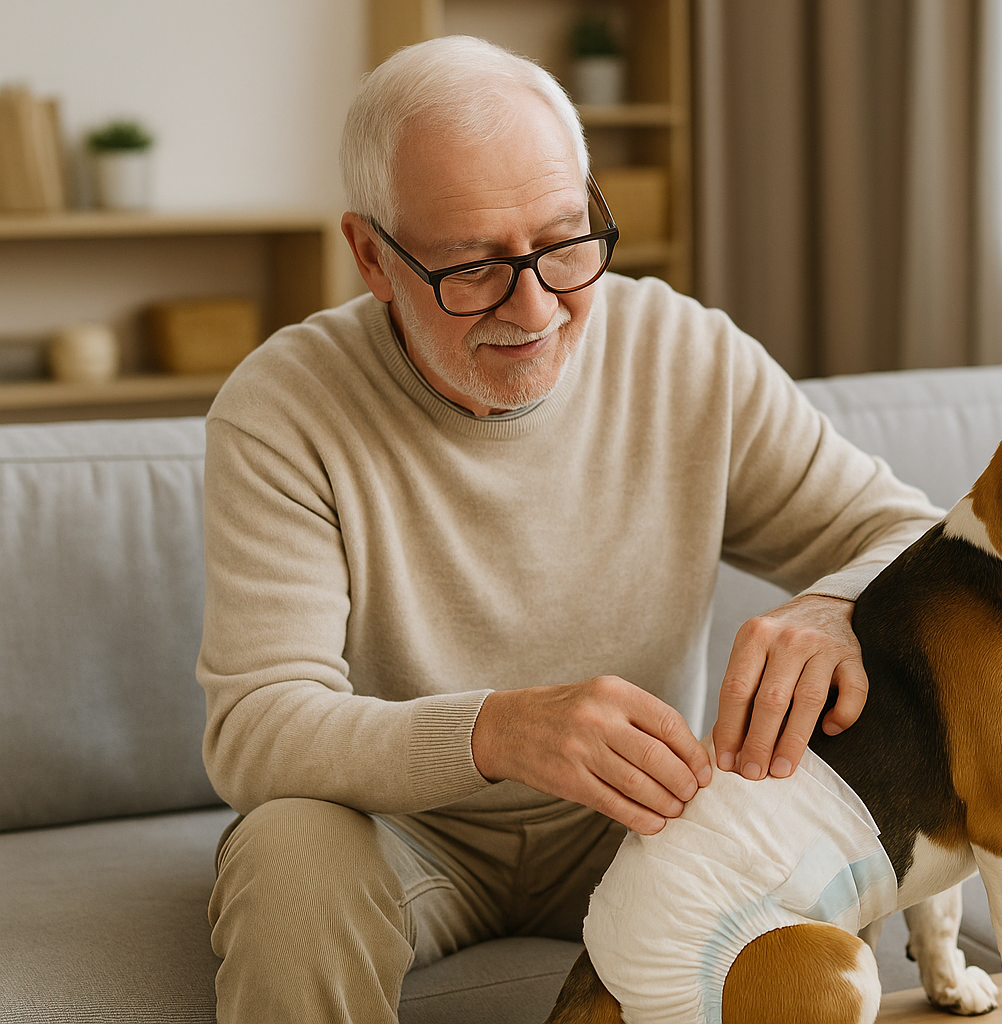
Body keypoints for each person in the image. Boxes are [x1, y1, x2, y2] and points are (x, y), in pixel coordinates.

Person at [197, 35, 940, 1023]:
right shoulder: (285, 407)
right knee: (286, 849)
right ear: (373, 255)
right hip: (403, 829)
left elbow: (920, 539)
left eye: (563, 240)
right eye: (472, 267)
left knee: (808, 832)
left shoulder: (684, 353)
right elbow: (256, 731)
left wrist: (838, 604)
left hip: (647, 820)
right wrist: (496, 730)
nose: (538, 305)